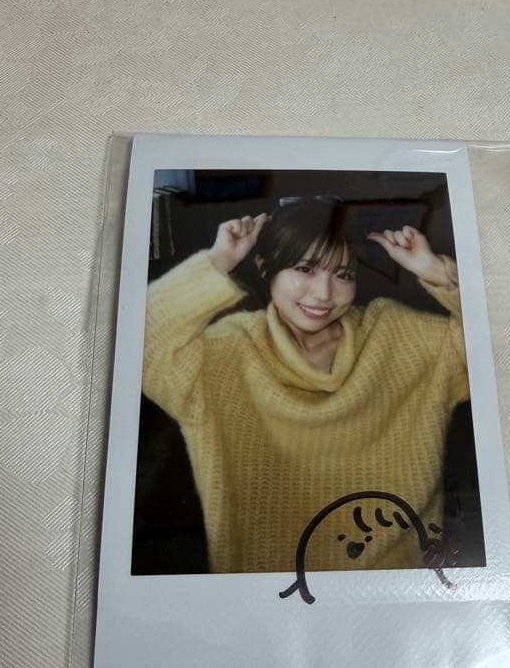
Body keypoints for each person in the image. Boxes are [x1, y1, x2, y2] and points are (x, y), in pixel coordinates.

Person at [141, 197, 469, 574]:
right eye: (305, 269)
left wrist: (437, 272)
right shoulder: (225, 353)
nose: (323, 294)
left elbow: (495, 353)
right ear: (264, 266)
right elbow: (138, 341)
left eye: (343, 275)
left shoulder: (397, 337)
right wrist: (218, 261)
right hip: (269, 590)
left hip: (393, 582)